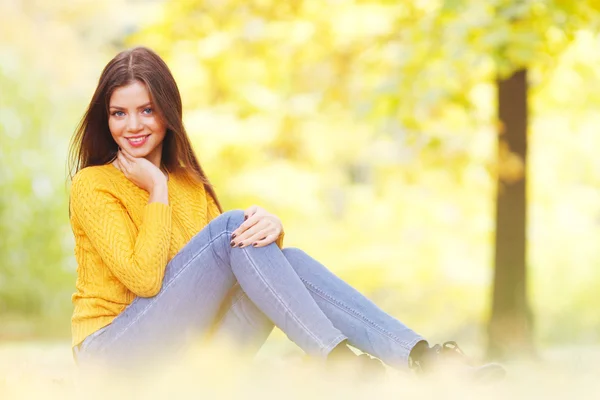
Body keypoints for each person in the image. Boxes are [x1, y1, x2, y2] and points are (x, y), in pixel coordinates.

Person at [67, 46, 504, 380]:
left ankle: (420, 360)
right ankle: (341, 365)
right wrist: (156, 188)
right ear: (105, 120)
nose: (133, 125)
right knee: (233, 227)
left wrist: (272, 233)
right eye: (118, 113)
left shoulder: (188, 183)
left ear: (168, 113)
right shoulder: (93, 185)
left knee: (280, 257)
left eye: (146, 109)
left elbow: (223, 272)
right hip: (113, 355)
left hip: (189, 359)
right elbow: (146, 280)